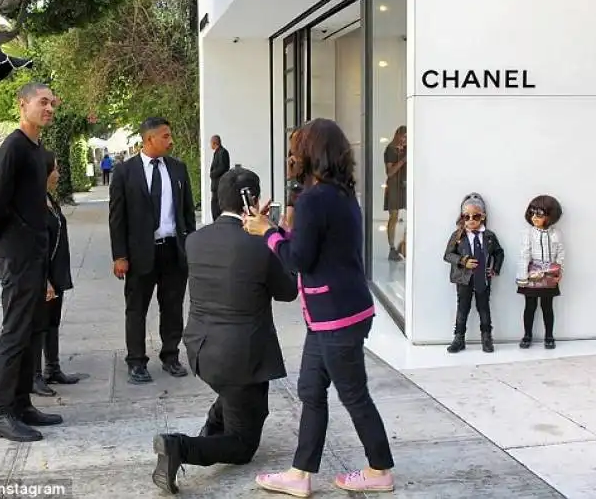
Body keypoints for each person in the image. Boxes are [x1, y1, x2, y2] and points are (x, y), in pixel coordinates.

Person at [243, 118, 396, 496]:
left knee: (353, 394)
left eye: (296, 147)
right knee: (311, 389)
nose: (292, 155)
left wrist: (267, 232)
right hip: (337, 312)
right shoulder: (340, 193)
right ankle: (299, 474)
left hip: (335, 315)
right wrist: (280, 226)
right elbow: (316, 246)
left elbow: (297, 260)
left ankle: (380, 469)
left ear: (311, 152)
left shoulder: (315, 199)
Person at [150, 167, 298, 494]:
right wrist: (275, 235)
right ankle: (179, 448)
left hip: (202, 351)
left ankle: (212, 428)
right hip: (241, 359)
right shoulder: (260, 244)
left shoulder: (196, 240)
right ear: (253, 201)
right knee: (244, 445)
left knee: (246, 403)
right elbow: (289, 290)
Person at [0, 82, 63, 442]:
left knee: (31, 331)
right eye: (43, 102)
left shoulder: (36, 148)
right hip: (16, 251)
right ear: (22, 104)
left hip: (35, 250)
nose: (50, 108)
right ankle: (2, 413)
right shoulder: (13, 146)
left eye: (53, 104)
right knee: (15, 332)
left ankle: (22, 403)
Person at [109, 116, 196, 384]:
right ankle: (136, 362)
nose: (171, 141)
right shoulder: (125, 172)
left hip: (173, 250)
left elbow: (187, 212)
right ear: (149, 140)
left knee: (172, 306)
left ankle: (170, 356)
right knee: (136, 308)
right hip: (139, 254)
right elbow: (117, 216)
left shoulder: (178, 169)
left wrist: (190, 246)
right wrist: (120, 255)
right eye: (165, 137)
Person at [31, 150, 81, 397]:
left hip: (57, 270)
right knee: (39, 324)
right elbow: (35, 244)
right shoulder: (33, 203)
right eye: (55, 169)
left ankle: (53, 367)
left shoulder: (49, 198)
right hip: (44, 274)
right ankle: (34, 375)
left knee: (52, 321)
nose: (58, 174)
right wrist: (45, 280)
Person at [443, 193, 505, 354]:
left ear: (482, 217)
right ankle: (458, 338)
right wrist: (463, 261)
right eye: (467, 216)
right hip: (464, 279)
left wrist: (495, 269)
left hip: (482, 279)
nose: (471, 220)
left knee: (483, 308)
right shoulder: (458, 236)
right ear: (462, 217)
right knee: (462, 308)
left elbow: (499, 253)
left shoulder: (489, 236)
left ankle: (486, 338)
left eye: (475, 216)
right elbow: (448, 255)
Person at [516, 195, 565, 350]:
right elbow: (524, 254)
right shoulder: (528, 233)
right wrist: (522, 276)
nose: (535, 217)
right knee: (530, 306)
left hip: (549, 274)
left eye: (540, 214)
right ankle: (527, 335)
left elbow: (560, 253)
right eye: (532, 213)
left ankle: (549, 336)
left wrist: (558, 270)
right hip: (532, 273)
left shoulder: (555, 234)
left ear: (550, 216)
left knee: (547, 306)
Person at [384, 125, 407, 260]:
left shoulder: (405, 149)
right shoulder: (390, 150)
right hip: (394, 186)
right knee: (394, 215)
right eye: (403, 137)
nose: (405, 140)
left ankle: (403, 245)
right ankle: (392, 247)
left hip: (404, 185)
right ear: (398, 136)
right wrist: (403, 160)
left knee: (406, 216)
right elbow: (390, 172)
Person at [208, 134, 230, 220]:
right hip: (215, 185)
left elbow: (223, 167)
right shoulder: (217, 153)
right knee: (214, 205)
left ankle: (218, 221)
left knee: (217, 205)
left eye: (211, 143)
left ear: (214, 143)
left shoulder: (223, 152)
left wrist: (213, 173)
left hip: (219, 184)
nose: (210, 145)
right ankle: (216, 221)